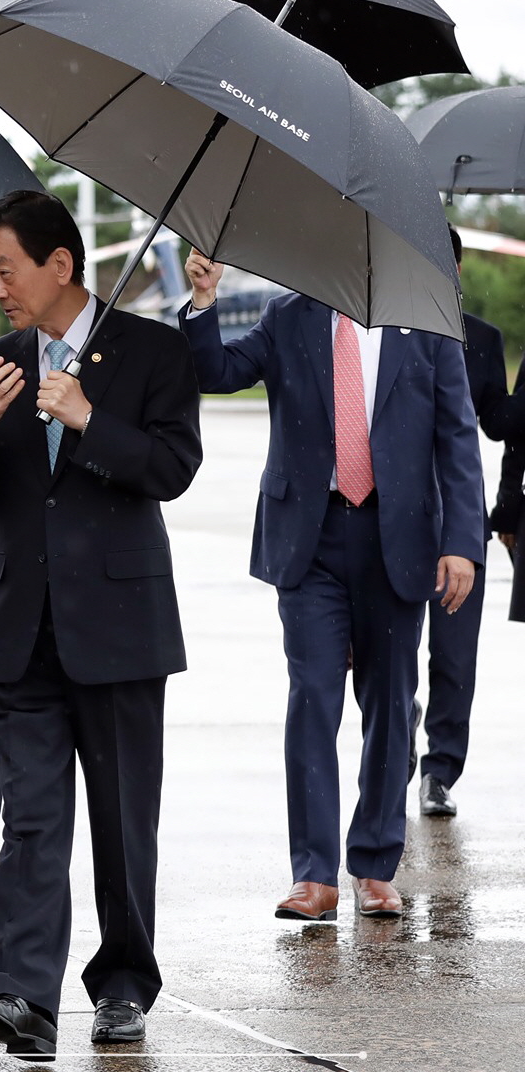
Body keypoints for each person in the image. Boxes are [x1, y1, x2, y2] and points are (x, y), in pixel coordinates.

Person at [0, 190, 202, 1060]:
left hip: (121, 627)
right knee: (35, 821)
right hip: (21, 629)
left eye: (4, 268)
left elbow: (173, 467)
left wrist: (88, 419)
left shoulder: (155, 351)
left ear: (60, 265)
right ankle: (23, 999)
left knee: (122, 823)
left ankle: (124, 984)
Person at [183, 252, 481, 923]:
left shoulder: (427, 325)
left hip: (397, 539)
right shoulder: (288, 315)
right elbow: (216, 373)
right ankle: (313, 875)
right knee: (313, 697)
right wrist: (203, 301)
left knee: (389, 702)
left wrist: (462, 542)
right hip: (309, 539)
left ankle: (374, 865)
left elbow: (457, 440)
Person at [413, 229, 509, 818]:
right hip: (392, 521)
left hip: (459, 522)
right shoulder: (381, 333)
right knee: (388, 658)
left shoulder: (484, 341)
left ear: (458, 265)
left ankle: (441, 769)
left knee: (454, 657)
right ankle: (396, 739)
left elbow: (500, 424)